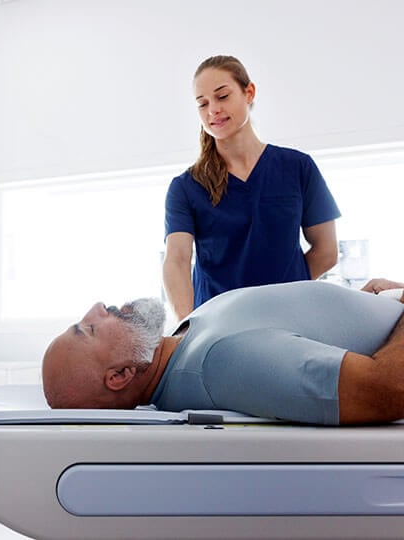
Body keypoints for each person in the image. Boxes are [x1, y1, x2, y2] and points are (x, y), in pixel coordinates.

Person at [41, 279, 404, 425]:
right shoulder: (219, 363)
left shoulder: (187, 339)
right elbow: (389, 388)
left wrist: (370, 303)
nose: (98, 306)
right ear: (120, 375)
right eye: (88, 329)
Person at [163, 55, 341, 322]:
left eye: (222, 96)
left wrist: (282, 293)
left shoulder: (298, 167)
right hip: (217, 327)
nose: (212, 109)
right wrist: (187, 328)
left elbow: (327, 251)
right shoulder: (185, 188)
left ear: (249, 92)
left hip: (290, 319)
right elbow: (176, 259)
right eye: (202, 103)